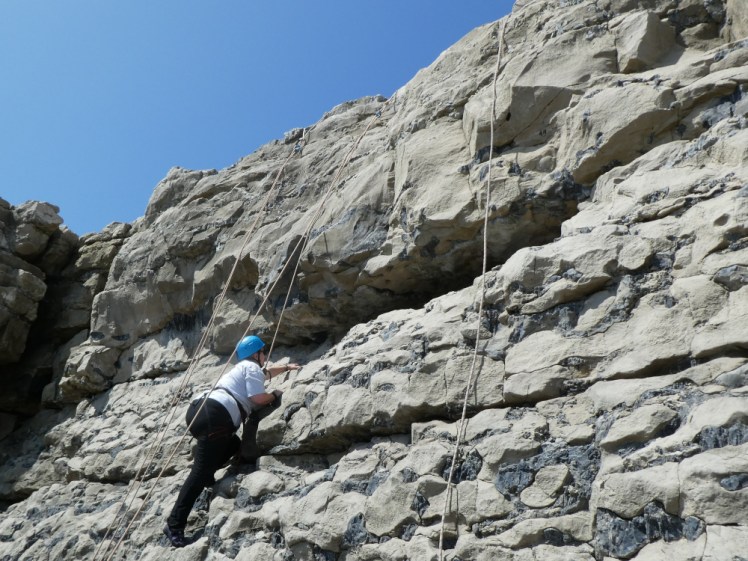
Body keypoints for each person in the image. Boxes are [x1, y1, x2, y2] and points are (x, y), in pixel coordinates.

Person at [164, 335, 300, 548]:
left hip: (200, 410)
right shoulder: (251, 368)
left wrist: (285, 368)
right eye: (263, 352)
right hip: (216, 416)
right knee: (199, 473)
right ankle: (174, 525)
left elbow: (265, 373)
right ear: (256, 354)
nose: (265, 355)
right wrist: (274, 394)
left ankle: (207, 473)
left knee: (234, 446)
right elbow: (257, 398)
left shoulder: (244, 368)